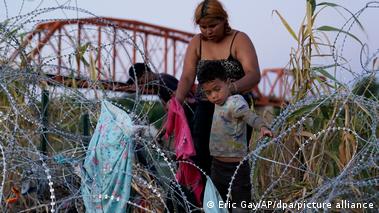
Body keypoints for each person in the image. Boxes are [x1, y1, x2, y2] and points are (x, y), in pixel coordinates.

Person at [175, 0, 261, 176]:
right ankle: (207, 202)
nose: (208, 31)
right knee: (201, 160)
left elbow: (253, 74)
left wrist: (232, 88)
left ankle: (231, 201)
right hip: (204, 110)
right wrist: (177, 101)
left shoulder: (239, 39)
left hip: (234, 110)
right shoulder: (196, 42)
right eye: (203, 27)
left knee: (230, 165)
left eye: (213, 25)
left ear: (224, 19)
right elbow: (187, 76)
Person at [197, 61, 272, 212]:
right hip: (217, 164)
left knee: (240, 204)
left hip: (236, 166)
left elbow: (250, 116)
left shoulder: (236, 102)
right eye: (208, 93)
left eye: (217, 89)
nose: (213, 96)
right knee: (219, 204)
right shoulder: (218, 102)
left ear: (228, 82)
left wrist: (262, 127)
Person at [126, 62, 196, 121]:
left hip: (193, 118)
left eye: (139, 82)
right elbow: (169, 111)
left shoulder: (163, 82)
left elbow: (182, 102)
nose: (141, 85)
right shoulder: (158, 84)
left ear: (145, 74)